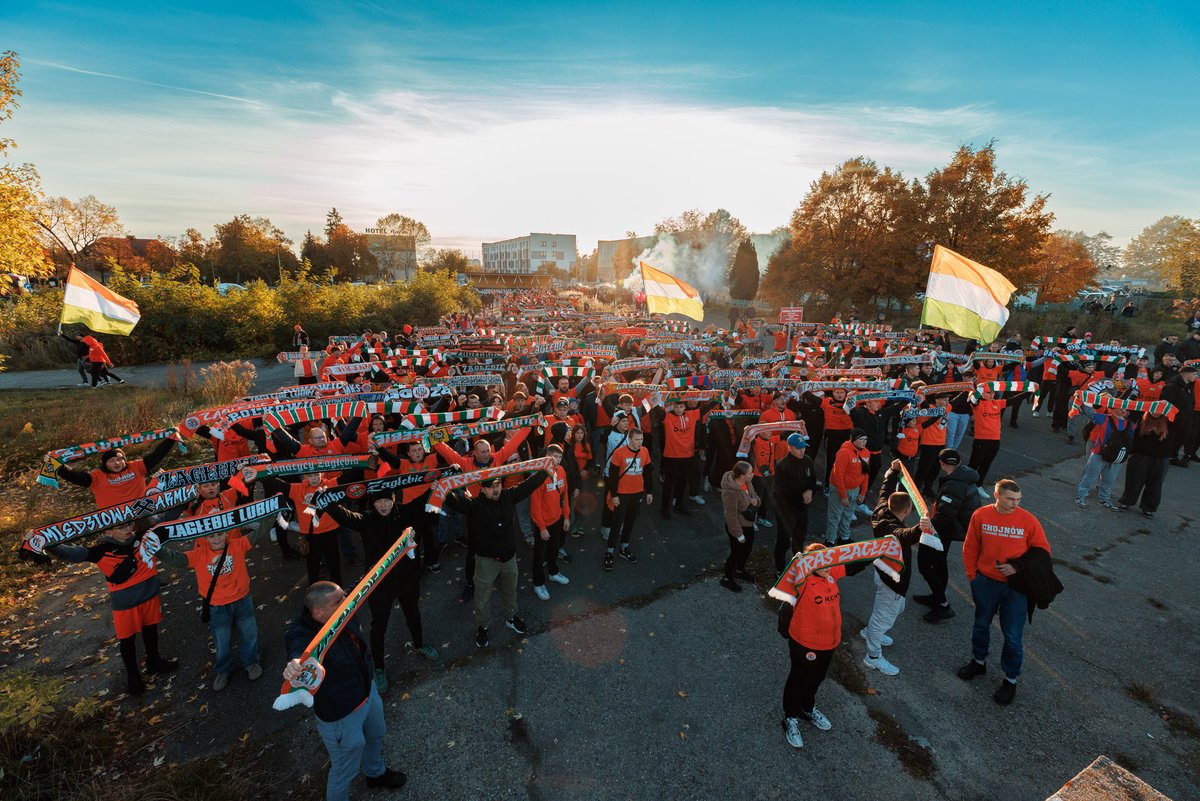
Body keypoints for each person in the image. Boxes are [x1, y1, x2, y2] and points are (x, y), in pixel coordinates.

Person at [284, 582, 407, 800]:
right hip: (341, 713)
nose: (347, 601)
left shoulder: (343, 612)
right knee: (344, 769)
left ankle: (375, 773)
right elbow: (298, 651)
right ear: (319, 612)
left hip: (366, 692)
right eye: (339, 600)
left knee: (377, 733)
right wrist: (295, 663)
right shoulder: (301, 633)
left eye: (344, 595)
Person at [33, 520, 178, 696]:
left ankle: (154, 661)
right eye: (122, 527)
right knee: (128, 641)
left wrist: (188, 498)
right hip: (126, 604)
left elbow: (166, 519)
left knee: (151, 630)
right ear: (109, 531)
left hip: (149, 595)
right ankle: (133, 678)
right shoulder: (101, 550)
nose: (128, 529)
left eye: (130, 525)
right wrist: (46, 543)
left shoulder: (143, 537)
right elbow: (72, 554)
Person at [323, 490, 438, 696]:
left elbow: (427, 496)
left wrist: (445, 478)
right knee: (379, 624)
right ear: (372, 503)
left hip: (407, 578)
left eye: (386, 500)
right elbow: (344, 516)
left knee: (413, 613)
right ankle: (379, 668)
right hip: (379, 584)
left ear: (394, 500)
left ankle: (420, 644)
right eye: (378, 502)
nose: (383, 506)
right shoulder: (367, 519)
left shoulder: (406, 512)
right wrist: (325, 500)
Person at [958, 479, 1051, 706]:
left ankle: (1010, 680)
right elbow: (970, 547)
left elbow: (1043, 553)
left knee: (1012, 636)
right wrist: (973, 578)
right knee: (981, 624)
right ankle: (978, 662)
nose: (1015, 504)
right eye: (1010, 499)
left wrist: (1017, 567)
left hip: (1016, 589)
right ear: (996, 495)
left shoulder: (1028, 520)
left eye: (1018, 500)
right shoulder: (980, 515)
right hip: (986, 583)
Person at [155, 516, 272, 691]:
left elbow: (259, 532)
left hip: (242, 600)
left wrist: (273, 511)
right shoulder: (199, 554)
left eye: (220, 534)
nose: (216, 539)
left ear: (226, 533)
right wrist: (155, 547)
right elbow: (175, 558)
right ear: (204, 538)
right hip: (217, 606)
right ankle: (223, 670)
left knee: (249, 634)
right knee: (221, 640)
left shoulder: (238, 545)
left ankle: (252, 663)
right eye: (211, 536)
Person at [442, 470, 545, 649]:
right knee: (482, 596)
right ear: (482, 490)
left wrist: (546, 470)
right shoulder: (475, 505)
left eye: (497, 484)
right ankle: (483, 626)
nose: (495, 489)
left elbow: (528, 485)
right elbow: (455, 503)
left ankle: (511, 617)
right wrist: (441, 488)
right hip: (486, 561)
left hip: (509, 558)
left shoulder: (508, 495)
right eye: (490, 487)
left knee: (510, 590)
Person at [778, 543, 862, 748]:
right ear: (810, 564)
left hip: (829, 643)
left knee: (817, 677)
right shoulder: (803, 580)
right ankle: (790, 717)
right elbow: (786, 603)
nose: (828, 566)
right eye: (822, 562)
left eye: (829, 561)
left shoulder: (830, 571)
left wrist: (881, 548)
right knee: (799, 678)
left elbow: (855, 564)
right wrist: (784, 630)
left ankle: (807, 707)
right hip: (805, 643)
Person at [861, 461, 931, 677]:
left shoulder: (881, 508)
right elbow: (904, 536)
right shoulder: (894, 529)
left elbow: (885, 489)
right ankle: (872, 656)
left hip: (883, 573)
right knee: (885, 615)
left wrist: (892, 471)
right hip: (892, 579)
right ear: (908, 510)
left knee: (894, 609)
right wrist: (921, 528)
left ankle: (871, 631)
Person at [914, 449, 980, 624]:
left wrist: (927, 527)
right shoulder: (965, 475)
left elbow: (945, 514)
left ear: (942, 464)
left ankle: (942, 604)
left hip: (944, 529)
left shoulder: (954, 485)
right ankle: (937, 596)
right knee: (939, 562)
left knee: (925, 564)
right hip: (951, 529)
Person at [56, 440, 179, 509]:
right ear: (105, 464)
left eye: (119, 459)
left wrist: (172, 438)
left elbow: (157, 455)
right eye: (111, 460)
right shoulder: (97, 477)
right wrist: (56, 464)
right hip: (115, 522)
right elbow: (73, 476)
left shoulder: (136, 467)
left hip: (142, 512)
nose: (117, 462)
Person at [604, 426, 654, 571]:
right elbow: (612, 477)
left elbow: (647, 473)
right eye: (637, 439)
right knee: (617, 523)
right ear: (629, 439)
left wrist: (649, 491)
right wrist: (614, 495)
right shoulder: (619, 453)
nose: (640, 442)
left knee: (630, 521)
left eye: (642, 439)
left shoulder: (644, 451)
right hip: (621, 494)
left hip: (637, 493)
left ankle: (624, 548)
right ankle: (610, 552)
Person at [529, 444, 571, 601]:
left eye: (559, 457)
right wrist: (541, 527)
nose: (557, 460)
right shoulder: (539, 476)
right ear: (547, 456)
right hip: (544, 523)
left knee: (554, 549)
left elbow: (565, 495)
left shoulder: (561, 471)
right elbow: (535, 504)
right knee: (539, 556)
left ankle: (553, 573)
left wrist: (566, 516)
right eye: (554, 457)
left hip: (558, 519)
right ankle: (538, 583)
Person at [772, 433, 817, 573]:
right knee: (783, 542)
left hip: (802, 509)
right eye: (798, 448)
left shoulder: (808, 460)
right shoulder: (782, 466)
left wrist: (810, 490)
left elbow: (813, 479)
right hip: (786, 511)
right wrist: (801, 496)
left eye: (803, 447)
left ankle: (797, 565)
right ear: (789, 447)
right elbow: (780, 492)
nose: (802, 450)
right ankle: (779, 570)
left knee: (799, 539)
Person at [1074, 403, 1132, 509]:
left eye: (1124, 408)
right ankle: (1080, 497)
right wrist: (1082, 398)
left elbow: (1130, 441)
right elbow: (1087, 411)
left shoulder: (1130, 424)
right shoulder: (1104, 418)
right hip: (1098, 453)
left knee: (1109, 480)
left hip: (1116, 457)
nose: (1123, 410)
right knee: (1089, 477)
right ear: (1112, 409)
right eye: (1120, 408)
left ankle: (1104, 500)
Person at [1116, 410, 1173, 518]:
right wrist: (1131, 453)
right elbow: (1135, 438)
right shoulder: (1143, 421)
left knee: (1155, 484)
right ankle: (1126, 501)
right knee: (1134, 480)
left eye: (1158, 409)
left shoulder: (1170, 422)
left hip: (1161, 458)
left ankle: (1149, 507)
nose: (1155, 412)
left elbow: (1184, 424)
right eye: (1153, 409)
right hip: (1140, 456)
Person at [718, 460, 759, 593]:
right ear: (742, 475)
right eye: (750, 473)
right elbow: (730, 515)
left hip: (748, 524)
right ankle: (727, 578)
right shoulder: (730, 491)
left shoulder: (747, 482)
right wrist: (738, 534)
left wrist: (755, 501)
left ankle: (739, 570)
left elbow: (756, 497)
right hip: (737, 527)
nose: (753, 474)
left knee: (747, 549)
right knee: (735, 553)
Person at [825, 430, 869, 546]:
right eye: (861, 439)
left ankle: (844, 537)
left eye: (865, 440)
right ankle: (830, 540)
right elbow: (838, 475)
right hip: (839, 489)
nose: (864, 442)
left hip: (855, 489)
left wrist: (863, 493)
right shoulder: (843, 453)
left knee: (848, 515)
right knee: (835, 515)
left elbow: (865, 474)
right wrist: (843, 495)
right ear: (853, 439)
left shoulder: (866, 453)